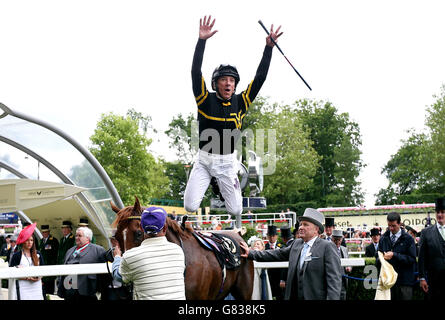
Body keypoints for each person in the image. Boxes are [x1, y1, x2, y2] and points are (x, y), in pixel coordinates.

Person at [184, 15, 282, 228]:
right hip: (203, 160)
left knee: (236, 209)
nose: (228, 84)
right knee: (190, 206)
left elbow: (260, 78)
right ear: (215, 83)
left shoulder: (241, 102)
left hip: (227, 162)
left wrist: (269, 49)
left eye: (232, 80)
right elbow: (194, 72)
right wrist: (201, 41)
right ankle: (211, 180)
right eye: (223, 80)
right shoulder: (204, 98)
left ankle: (231, 174)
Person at [240, 208, 342, 300]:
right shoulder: (296, 244)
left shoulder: (327, 247)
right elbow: (276, 254)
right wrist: (251, 253)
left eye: (305, 225)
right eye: (301, 224)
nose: (301, 227)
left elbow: (334, 282)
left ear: (316, 229)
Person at [111, 206, 186, 300]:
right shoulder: (178, 251)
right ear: (165, 228)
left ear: (141, 228)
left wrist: (117, 257)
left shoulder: (130, 256)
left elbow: (118, 276)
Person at [57, 227, 107, 301]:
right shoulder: (70, 251)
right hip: (69, 290)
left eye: (79, 236)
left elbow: (104, 275)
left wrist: (101, 290)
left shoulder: (98, 250)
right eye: (76, 235)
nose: (77, 237)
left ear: (88, 238)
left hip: (87, 291)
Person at [377, 212, 416, 300]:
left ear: (399, 223)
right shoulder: (383, 238)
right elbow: (377, 258)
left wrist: (395, 255)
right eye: (389, 225)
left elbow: (412, 259)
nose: (391, 228)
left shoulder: (408, 239)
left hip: (404, 282)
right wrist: (382, 259)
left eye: (394, 226)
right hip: (388, 282)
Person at [9, 223, 45, 300]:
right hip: (23, 288)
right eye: (27, 240)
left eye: (31, 240)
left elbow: (43, 269)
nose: (29, 242)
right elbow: (11, 272)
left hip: (36, 287)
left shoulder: (38, 254)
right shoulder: (17, 255)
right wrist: (26, 277)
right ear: (23, 241)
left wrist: (38, 278)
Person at [418, 197, 445, 299]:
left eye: (442, 212)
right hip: (434, 281)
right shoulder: (426, 232)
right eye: (438, 212)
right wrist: (422, 278)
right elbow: (421, 257)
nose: (439, 215)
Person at [38, 224, 59, 296]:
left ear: (49, 232)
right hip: (42, 269)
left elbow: (55, 254)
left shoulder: (53, 241)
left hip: (50, 269)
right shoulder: (41, 241)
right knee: (43, 290)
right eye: (43, 232)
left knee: (50, 291)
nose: (44, 234)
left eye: (46, 232)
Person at [332, 229, 351, 300]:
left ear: (342, 239)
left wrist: (349, 268)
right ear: (332, 239)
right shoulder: (328, 249)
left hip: (343, 280)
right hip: (332, 281)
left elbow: (349, 262)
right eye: (335, 240)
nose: (337, 242)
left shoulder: (344, 249)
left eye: (339, 240)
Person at [265, 225, 282, 300]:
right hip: (268, 275)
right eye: (270, 236)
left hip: (278, 275)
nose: (272, 238)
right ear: (267, 236)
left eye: (273, 236)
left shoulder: (281, 247)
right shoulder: (264, 247)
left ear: (276, 236)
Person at [279, 226, 294, 295]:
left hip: (288, 277)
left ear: (283, 238)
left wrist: (282, 279)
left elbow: (285, 265)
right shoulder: (296, 244)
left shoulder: (286, 248)